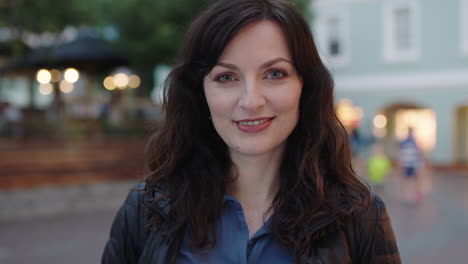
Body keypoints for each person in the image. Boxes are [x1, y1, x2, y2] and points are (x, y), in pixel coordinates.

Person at [102, 0, 401, 263]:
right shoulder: (145, 210)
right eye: (226, 76)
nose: (251, 101)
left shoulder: (360, 216)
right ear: (199, 92)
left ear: (305, 87)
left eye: (274, 74)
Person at [398, 127, 424, 204]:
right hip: (408, 164)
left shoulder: (413, 142)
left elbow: (418, 153)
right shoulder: (406, 142)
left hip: (412, 164)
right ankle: (408, 196)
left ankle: (412, 195)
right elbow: (400, 152)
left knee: (412, 180)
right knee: (409, 181)